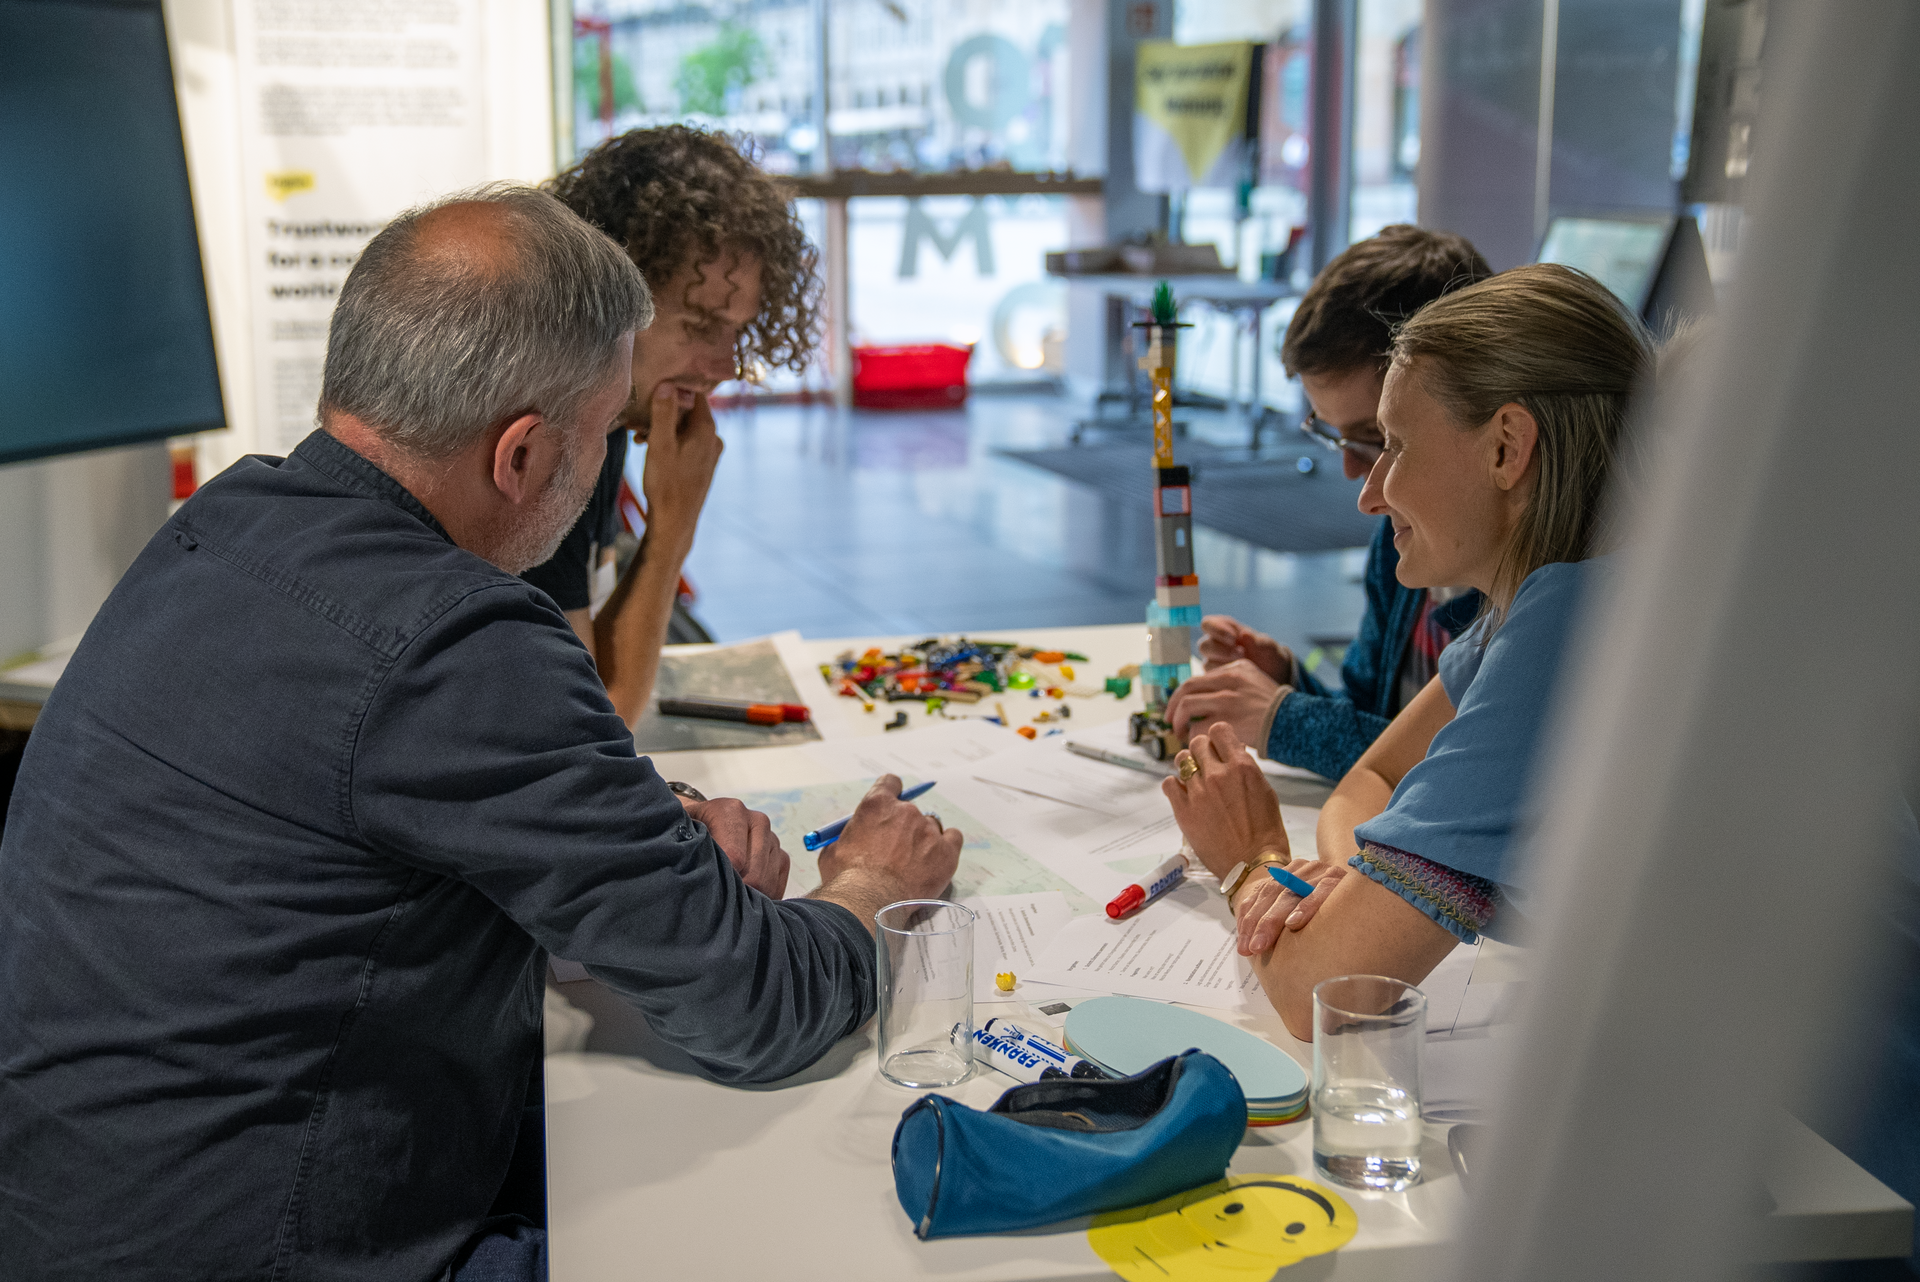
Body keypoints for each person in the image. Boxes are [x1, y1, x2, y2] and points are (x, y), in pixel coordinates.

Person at [0, 186, 959, 1281]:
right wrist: (872, 890)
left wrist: (633, 841)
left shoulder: (218, 526)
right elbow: (754, 1006)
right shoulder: (461, 637)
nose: (611, 463)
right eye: (607, 434)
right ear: (521, 455)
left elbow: (349, 817)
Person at [1163, 263, 1653, 1038]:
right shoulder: (1541, 604)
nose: (1369, 491)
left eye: (1393, 444)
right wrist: (1356, 882)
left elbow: (1320, 995)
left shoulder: (1572, 623)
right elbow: (1372, 777)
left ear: (1507, 448)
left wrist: (1252, 861)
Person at [521, 124, 824, 725]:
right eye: (698, 324)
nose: (724, 367)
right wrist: (674, 525)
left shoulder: (599, 420)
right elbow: (597, 721)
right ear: (609, 299)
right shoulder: (543, 444)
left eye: (735, 331)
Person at [1165, 226, 1492, 781]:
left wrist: (1282, 718)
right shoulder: (1397, 542)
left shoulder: (1525, 587)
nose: (1354, 476)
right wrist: (1286, 680)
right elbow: (1379, 717)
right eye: (1332, 435)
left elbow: (1456, 776)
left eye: (1376, 436)